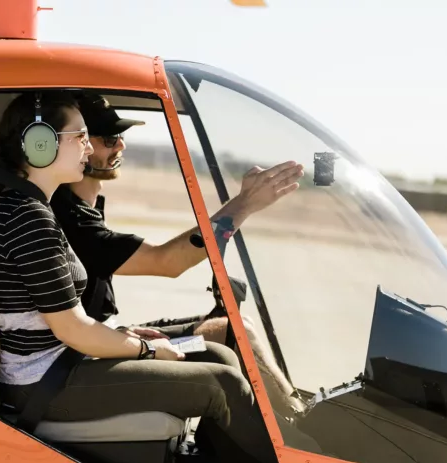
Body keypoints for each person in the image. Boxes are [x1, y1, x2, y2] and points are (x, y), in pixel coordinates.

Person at [0, 90, 281, 463]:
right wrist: (148, 347)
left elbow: (69, 321)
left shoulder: (35, 210)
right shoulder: (28, 219)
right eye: (79, 135)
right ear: (39, 143)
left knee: (218, 354)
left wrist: (125, 334)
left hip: (60, 363)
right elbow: (74, 329)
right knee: (223, 385)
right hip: (44, 382)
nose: (88, 144)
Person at [49, 93, 307, 415]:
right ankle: (299, 428)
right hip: (86, 357)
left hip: (109, 335)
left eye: (121, 137)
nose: (121, 146)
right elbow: (167, 262)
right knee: (229, 346)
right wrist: (243, 206)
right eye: (110, 138)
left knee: (234, 328)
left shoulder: (85, 208)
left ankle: (294, 418)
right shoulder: (68, 217)